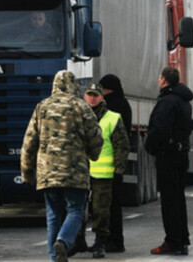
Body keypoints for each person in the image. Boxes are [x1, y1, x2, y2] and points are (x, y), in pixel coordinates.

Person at [21, 70, 104, 262]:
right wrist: (93, 155)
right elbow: (96, 138)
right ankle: (64, 241)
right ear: (75, 86)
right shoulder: (81, 107)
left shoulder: (42, 107)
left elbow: (29, 142)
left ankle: (54, 258)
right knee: (75, 210)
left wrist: (27, 171)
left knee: (53, 215)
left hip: (47, 172)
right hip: (75, 172)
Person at [146, 67, 193, 255]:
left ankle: (172, 241)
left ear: (164, 80)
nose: (158, 80)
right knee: (178, 198)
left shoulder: (167, 102)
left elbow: (160, 129)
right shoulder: (184, 101)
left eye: (159, 77)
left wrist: (149, 144)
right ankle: (182, 240)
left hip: (168, 154)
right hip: (182, 153)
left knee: (169, 200)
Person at [82, 82, 129, 259]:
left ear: (102, 97)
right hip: (82, 172)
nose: (92, 98)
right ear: (84, 97)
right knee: (78, 209)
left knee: (101, 210)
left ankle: (101, 241)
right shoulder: (78, 117)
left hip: (104, 173)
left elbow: (121, 146)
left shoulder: (113, 118)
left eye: (96, 95)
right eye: (89, 95)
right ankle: (78, 241)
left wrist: (118, 170)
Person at [97, 74, 132, 253]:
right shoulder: (124, 104)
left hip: (105, 164)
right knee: (114, 204)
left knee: (106, 207)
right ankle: (116, 240)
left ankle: (112, 240)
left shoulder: (109, 107)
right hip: (116, 163)